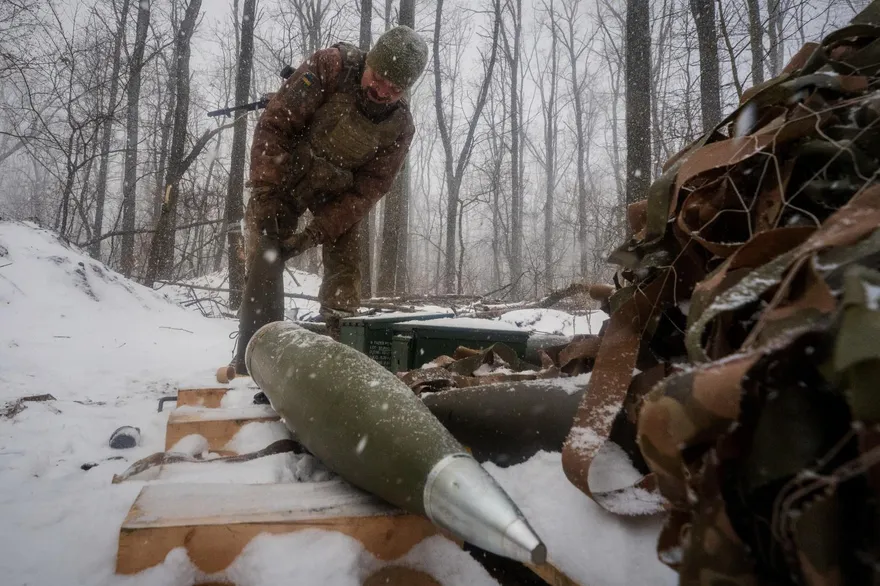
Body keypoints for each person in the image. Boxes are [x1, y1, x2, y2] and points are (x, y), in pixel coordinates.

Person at [230, 26, 429, 375]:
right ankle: (254, 353)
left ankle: (341, 352)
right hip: (286, 172)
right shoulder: (331, 67)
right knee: (266, 251)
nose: (382, 92)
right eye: (379, 78)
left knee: (346, 268)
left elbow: (368, 191)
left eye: (394, 88)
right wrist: (265, 190)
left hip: (338, 192)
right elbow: (275, 125)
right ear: (370, 61)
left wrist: (314, 234)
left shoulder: (400, 126)